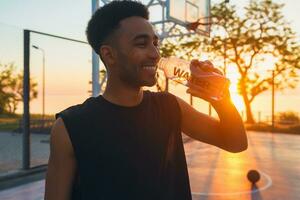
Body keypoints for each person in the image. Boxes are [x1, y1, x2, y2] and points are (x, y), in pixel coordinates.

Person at [44, 1, 248, 200]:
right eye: (142, 44)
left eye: (155, 43)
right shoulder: (71, 126)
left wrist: (222, 100)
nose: (155, 54)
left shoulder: (169, 107)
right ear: (109, 54)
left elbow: (235, 142)